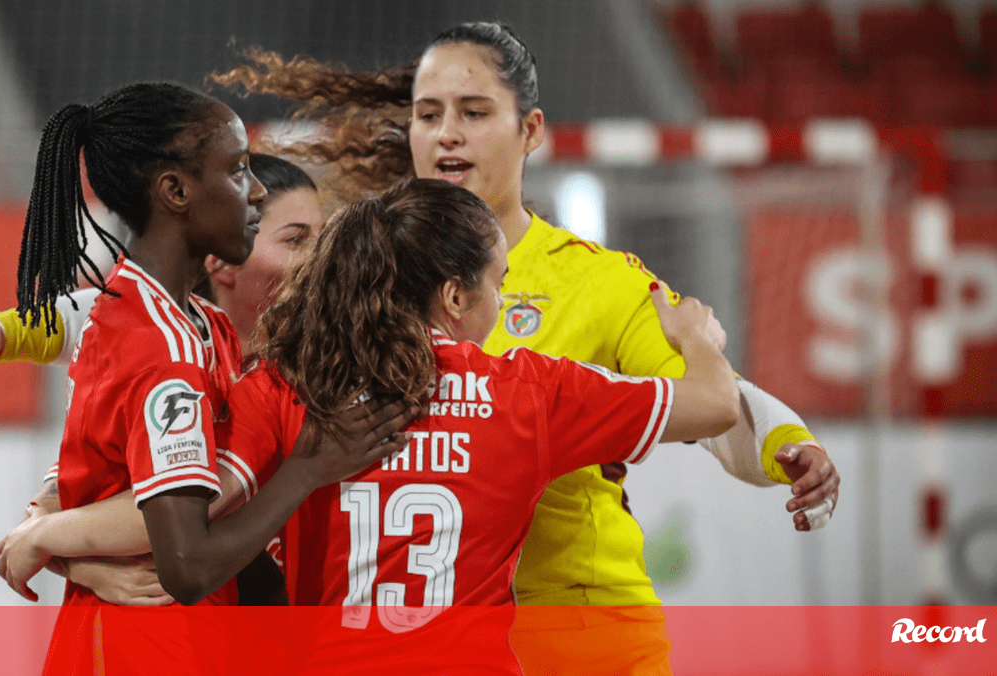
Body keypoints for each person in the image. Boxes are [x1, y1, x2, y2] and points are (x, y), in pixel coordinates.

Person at [206, 21, 840, 674]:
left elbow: (710, 400)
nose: (446, 132)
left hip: (577, 635)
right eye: (428, 115)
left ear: (531, 131)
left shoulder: (596, 280)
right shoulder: (357, 262)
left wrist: (786, 444)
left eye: (473, 112)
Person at [219, 178, 739, 675]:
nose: (502, 302)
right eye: (500, 285)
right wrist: (695, 336)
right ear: (455, 298)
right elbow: (717, 405)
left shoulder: (284, 384)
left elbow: (200, 521)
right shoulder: (526, 392)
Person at [0, 81, 415, 673]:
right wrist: (309, 471)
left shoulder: (197, 323)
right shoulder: (160, 350)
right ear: (176, 191)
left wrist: (54, 542)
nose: (258, 189)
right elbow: (186, 561)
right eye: (239, 169)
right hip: (148, 650)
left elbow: (106, 488)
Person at [0, 152, 326, 606]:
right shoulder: (176, 352)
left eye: (325, 240)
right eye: (297, 240)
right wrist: (3, 333)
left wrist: (54, 543)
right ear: (224, 257)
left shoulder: (291, 373)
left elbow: (179, 513)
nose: (322, 259)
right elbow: (99, 314)